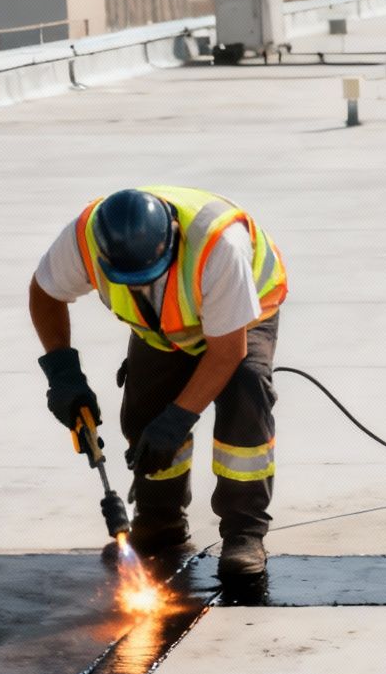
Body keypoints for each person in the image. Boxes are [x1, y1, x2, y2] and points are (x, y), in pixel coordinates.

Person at [29, 186, 288, 577]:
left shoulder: (218, 247)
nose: (135, 287)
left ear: (171, 242)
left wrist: (179, 417)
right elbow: (45, 293)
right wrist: (63, 373)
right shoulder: (84, 238)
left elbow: (225, 353)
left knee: (244, 395)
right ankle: (160, 523)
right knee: (145, 409)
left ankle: (244, 532)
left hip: (242, 317)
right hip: (163, 329)